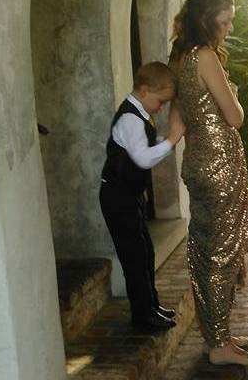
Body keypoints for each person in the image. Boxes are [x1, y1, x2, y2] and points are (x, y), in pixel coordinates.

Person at [168, 0, 248, 367]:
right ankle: (221, 345)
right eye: (224, 21)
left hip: (197, 164)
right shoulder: (205, 57)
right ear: (207, 20)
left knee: (207, 251)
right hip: (220, 164)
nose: (228, 28)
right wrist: (234, 93)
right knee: (221, 255)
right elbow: (235, 116)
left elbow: (179, 118)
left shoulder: (178, 57)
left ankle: (217, 336)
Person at [99, 61, 185, 329]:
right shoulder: (129, 119)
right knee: (134, 256)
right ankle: (142, 314)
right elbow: (143, 158)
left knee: (145, 253)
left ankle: (151, 305)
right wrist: (171, 140)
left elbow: (146, 147)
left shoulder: (138, 115)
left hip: (131, 196)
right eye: (160, 101)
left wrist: (165, 142)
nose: (160, 107)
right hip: (118, 197)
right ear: (145, 90)